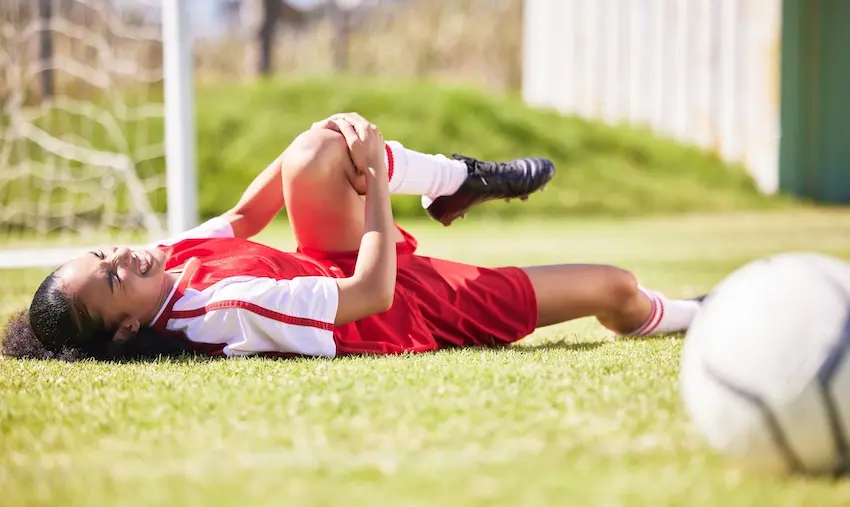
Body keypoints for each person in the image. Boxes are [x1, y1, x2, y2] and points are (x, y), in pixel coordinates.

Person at [1, 113, 701, 361]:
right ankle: (698, 313)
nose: (122, 256)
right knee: (615, 285)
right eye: (114, 277)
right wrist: (369, 177)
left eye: (103, 254)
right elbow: (368, 294)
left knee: (319, 148)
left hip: (329, 260)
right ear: (127, 328)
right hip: (404, 307)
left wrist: (319, 139)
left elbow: (245, 218)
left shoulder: (166, 261)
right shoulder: (224, 310)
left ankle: (457, 179)